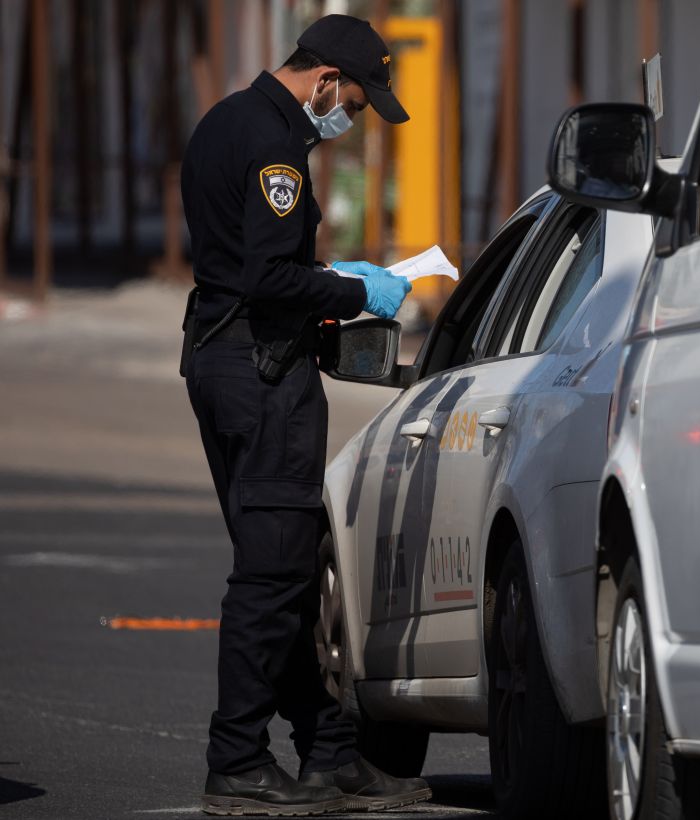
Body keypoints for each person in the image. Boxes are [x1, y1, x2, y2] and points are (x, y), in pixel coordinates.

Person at [180, 14, 429, 816]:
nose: (349, 118)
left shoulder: (229, 120)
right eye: (353, 103)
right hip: (262, 370)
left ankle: (328, 753)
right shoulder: (277, 145)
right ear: (322, 80)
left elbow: (253, 262)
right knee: (272, 573)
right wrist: (358, 290)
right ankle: (238, 760)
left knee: (284, 565)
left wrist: (319, 272)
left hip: (225, 360)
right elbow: (267, 280)